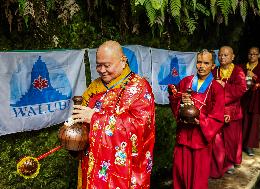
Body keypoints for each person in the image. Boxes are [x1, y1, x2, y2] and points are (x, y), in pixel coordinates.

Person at [72, 40, 156, 189]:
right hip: (92, 162)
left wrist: (95, 118)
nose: (102, 70)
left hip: (122, 169)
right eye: (98, 65)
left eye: (107, 65)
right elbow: (82, 117)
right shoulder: (95, 86)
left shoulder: (139, 87)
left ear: (123, 61)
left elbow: (140, 128)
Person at [169, 49, 224, 189]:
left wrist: (202, 120)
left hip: (201, 139)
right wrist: (179, 98)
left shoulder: (216, 88)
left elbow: (217, 116)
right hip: (183, 136)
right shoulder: (186, 81)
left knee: (198, 178)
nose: (201, 66)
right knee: (180, 173)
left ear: (213, 66)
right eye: (199, 62)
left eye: (206, 63)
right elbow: (174, 102)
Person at [212, 46, 247, 176]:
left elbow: (241, 89)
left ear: (233, 57)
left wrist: (224, 85)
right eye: (220, 55)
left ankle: (230, 162)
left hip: (233, 111)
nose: (222, 57)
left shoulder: (238, 71)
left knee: (231, 139)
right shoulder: (214, 71)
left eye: (226, 55)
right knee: (218, 139)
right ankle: (220, 163)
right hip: (217, 110)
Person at [241, 47, 260, 156]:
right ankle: (240, 144)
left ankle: (249, 146)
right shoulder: (242, 67)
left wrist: (255, 76)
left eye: (255, 54)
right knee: (242, 122)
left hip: (256, 100)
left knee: (253, 123)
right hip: (243, 99)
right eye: (250, 54)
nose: (252, 56)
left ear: (259, 55)